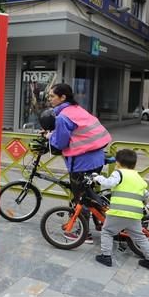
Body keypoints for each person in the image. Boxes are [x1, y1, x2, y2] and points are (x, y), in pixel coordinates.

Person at [43, 83, 112, 244]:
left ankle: (82, 232)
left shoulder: (62, 117)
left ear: (62, 97)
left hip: (82, 163)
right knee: (91, 194)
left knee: (80, 197)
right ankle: (102, 222)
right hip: (97, 159)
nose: (50, 99)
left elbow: (60, 143)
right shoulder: (77, 110)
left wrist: (49, 137)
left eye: (52, 96)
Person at [92, 149, 149, 271]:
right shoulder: (138, 177)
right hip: (135, 214)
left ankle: (106, 256)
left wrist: (98, 178)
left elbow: (109, 183)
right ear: (134, 164)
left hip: (119, 211)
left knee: (107, 231)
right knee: (140, 237)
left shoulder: (119, 173)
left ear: (118, 163)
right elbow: (146, 195)